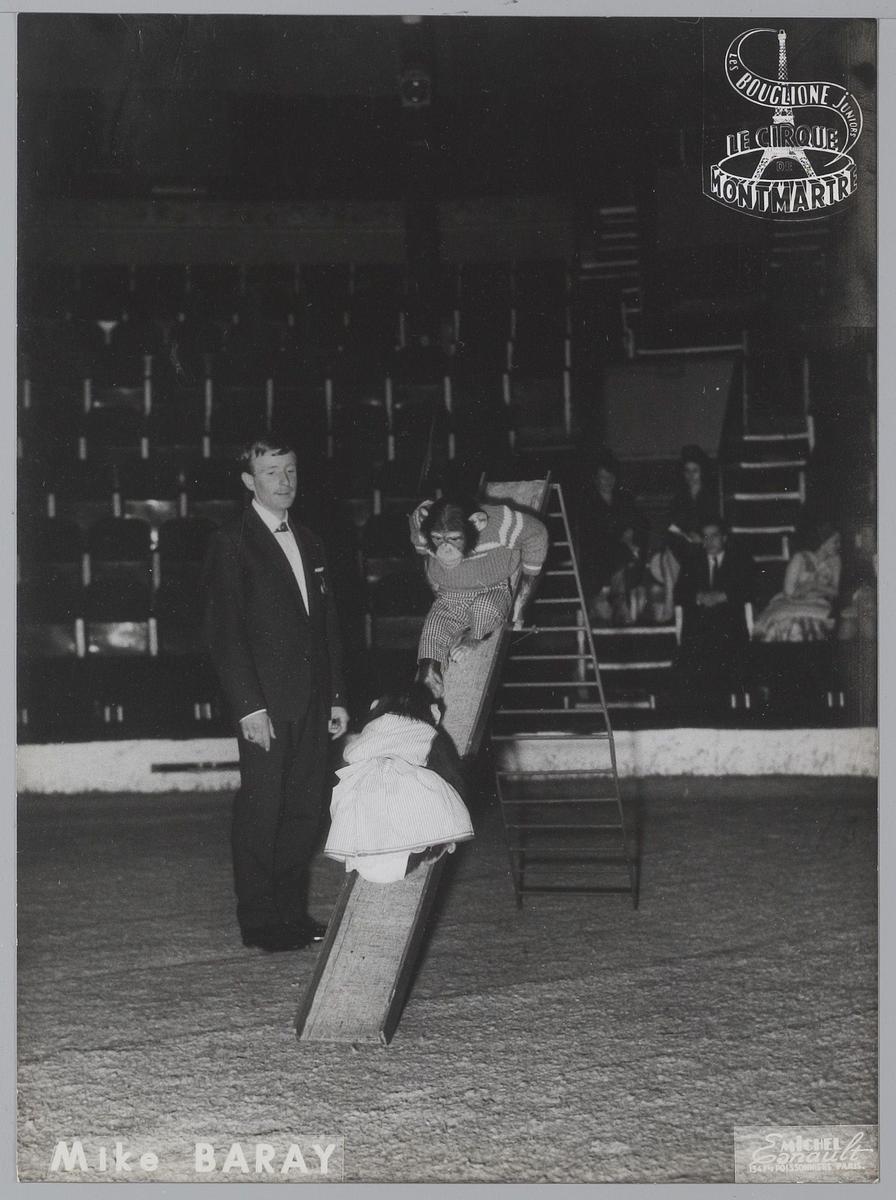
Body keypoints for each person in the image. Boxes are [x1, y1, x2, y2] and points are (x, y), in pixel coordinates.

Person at [203, 433, 349, 953]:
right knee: (263, 809)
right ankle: (260, 920)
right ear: (249, 481)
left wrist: (337, 695)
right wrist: (249, 706)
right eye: (271, 473)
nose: (284, 481)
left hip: (313, 698)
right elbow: (226, 632)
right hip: (265, 702)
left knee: (306, 807)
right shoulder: (231, 540)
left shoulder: (310, 539)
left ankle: (290, 912)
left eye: (290, 471)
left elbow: (327, 625)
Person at [324, 683, 473, 884]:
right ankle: (437, 847)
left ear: (375, 706)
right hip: (406, 859)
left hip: (359, 855)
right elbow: (454, 783)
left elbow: (348, 763)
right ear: (434, 713)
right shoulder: (428, 736)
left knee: (354, 787)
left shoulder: (364, 737)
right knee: (442, 786)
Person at [409, 494, 549, 696]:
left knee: (485, 608)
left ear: (477, 523)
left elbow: (537, 533)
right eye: (438, 539)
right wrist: (433, 584)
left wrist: (520, 604)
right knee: (433, 628)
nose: (445, 550)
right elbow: (422, 553)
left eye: (454, 539)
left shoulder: (499, 522)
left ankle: (474, 637)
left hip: (491, 588)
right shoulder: (422, 521)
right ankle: (428, 673)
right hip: (449, 594)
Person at [674, 516, 754, 704]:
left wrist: (724, 595)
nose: (709, 541)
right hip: (699, 626)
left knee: (730, 648)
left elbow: (751, 589)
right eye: (705, 536)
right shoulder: (692, 561)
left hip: (729, 625)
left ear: (724, 538)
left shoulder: (740, 560)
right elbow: (679, 593)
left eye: (715, 536)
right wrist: (699, 596)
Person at [576, 448, 650, 624]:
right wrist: (622, 539)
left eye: (611, 477)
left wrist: (630, 532)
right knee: (619, 552)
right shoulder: (588, 501)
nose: (608, 481)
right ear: (595, 479)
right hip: (597, 557)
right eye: (603, 477)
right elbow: (591, 534)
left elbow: (639, 522)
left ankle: (615, 600)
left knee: (626, 553)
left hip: (623, 556)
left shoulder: (624, 498)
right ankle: (610, 599)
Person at [649, 445, 717, 622]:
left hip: (706, 544)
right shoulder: (680, 497)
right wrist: (683, 533)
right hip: (685, 544)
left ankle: (672, 603)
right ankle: (671, 600)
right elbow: (674, 524)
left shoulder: (712, 495)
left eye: (695, 471)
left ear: (702, 472)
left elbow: (717, 526)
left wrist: (702, 537)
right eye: (687, 471)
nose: (691, 476)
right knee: (668, 551)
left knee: (673, 554)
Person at [753, 523, 842, 642]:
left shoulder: (835, 560)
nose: (838, 545)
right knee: (789, 624)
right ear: (823, 541)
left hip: (818, 604)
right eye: (835, 542)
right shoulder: (800, 558)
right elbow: (789, 593)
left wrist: (813, 585)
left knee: (812, 624)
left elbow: (836, 591)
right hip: (790, 602)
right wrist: (815, 590)